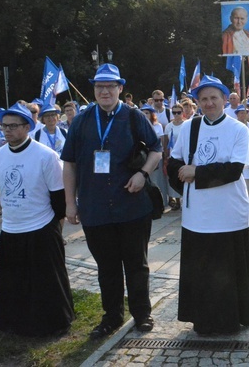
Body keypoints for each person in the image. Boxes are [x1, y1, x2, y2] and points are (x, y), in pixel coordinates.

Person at [62, 63, 162, 339]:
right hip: (95, 208)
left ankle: (142, 314)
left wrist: (143, 174)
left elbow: (156, 149)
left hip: (131, 205)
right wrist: (70, 203)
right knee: (107, 268)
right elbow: (69, 164)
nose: (104, 91)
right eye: (99, 86)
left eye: (110, 86)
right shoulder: (81, 121)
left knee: (136, 265)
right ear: (94, 90)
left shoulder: (133, 117)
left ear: (120, 88)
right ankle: (112, 317)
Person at [167, 75, 249, 335]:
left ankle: (234, 319)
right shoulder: (189, 128)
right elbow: (173, 163)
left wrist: (196, 172)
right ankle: (202, 320)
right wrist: (183, 176)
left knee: (228, 271)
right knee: (202, 271)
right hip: (197, 215)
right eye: (203, 99)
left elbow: (234, 170)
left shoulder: (239, 129)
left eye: (213, 98)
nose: (208, 103)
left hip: (229, 213)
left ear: (225, 99)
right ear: (197, 102)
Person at [0, 103, 74, 336]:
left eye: (13, 126)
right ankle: (13, 323)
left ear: (28, 126)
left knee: (46, 282)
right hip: (11, 228)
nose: (7, 131)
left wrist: (51, 225)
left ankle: (53, 323)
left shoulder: (46, 156)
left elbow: (58, 197)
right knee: (13, 282)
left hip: (41, 227)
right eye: (3, 126)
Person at [141, 104, 169, 209]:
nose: (145, 115)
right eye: (143, 113)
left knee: (158, 180)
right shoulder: (139, 125)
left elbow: (161, 142)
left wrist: (164, 155)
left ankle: (162, 202)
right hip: (144, 157)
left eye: (147, 113)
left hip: (156, 155)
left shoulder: (158, 126)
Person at [164, 103, 185, 210]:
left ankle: (183, 199)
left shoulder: (186, 124)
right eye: (174, 112)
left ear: (182, 113)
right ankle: (176, 201)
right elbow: (166, 142)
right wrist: (165, 155)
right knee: (173, 177)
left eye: (178, 112)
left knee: (183, 177)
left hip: (183, 156)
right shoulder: (169, 126)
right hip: (172, 155)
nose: (176, 115)